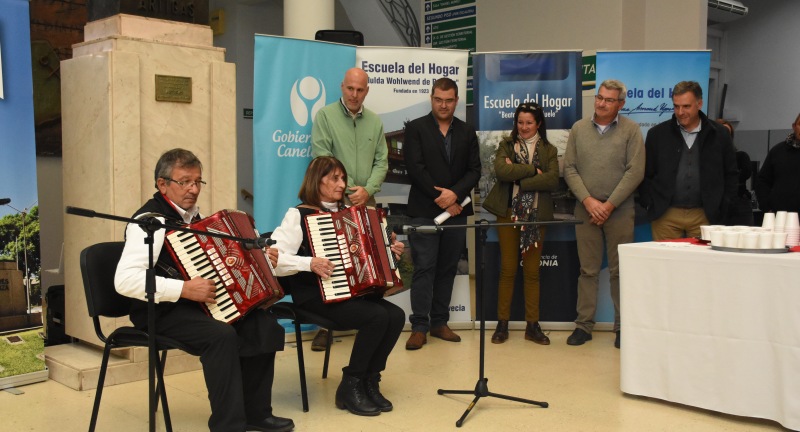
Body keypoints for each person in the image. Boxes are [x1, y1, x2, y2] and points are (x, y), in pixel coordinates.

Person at [114, 148, 293, 432]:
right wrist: (183, 289)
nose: (194, 189)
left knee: (263, 325)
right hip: (161, 310)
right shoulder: (150, 223)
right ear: (162, 185)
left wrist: (263, 261)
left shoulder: (198, 221)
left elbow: (230, 266)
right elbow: (125, 281)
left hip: (199, 306)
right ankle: (228, 425)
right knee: (220, 336)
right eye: (184, 181)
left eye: (198, 182)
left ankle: (256, 413)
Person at [269, 156, 405, 417]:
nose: (342, 184)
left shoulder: (350, 215)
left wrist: (390, 253)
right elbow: (273, 259)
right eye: (335, 178)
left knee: (396, 315)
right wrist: (310, 263)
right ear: (316, 181)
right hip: (313, 296)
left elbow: (367, 256)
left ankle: (369, 380)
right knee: (376, 317)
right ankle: (350, 385)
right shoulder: (299, 214)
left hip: (351, 293)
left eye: (343, 178)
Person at [310, 67, 389, 351]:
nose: (354, 95)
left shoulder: (375, 122)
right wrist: (348, 189)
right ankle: (325, 327)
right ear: (342, 87)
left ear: (366, 91)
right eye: (350, 89)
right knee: (333, 261)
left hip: (366, 201)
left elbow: (382, 161)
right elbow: (322, 157)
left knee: (366, 261)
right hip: (334, 202)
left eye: (360, 90)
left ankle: (367, 319)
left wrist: (368, 190)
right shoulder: (325, 116)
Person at [563, 79, 645, 349]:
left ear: (621, 104)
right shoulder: (578, 129)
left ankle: (623, 327)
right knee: (587, 270)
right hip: (585, 210)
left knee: (620, 272)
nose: (601, 103)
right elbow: (570, 169)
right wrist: (589, 202)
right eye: (599, 97)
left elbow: (635, 172)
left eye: (609, 100)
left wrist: (608, 205)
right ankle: (583, 326)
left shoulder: (632, 131)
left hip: (620, 211)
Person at [403, 77, 481, 350]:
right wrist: (443, 199)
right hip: (425, 210)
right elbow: (415, 169)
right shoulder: (416, 128)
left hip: (457, 212)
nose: (443, 105)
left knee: (447, 268)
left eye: (449, 100)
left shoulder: (467, 131)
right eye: (438, 99)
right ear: (431, 98)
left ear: (456, 101)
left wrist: (455, 196)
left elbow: (475, 170)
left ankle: (439, 322)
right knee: (424, 268)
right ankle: (419, 326)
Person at [482, 102, 559, 345]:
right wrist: (533, 170)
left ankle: (532, 326)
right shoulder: (506, 144)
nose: (523, 127)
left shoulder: (549, 149)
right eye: (520, 122)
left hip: (535, 215)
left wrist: (523, 180)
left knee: (532, 272)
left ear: (538, 124)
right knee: (507, 269)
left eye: (529, 122)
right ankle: (502, 324)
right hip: (508, 213)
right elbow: (501, 173)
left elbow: (552, 180)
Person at [638, 81, 738, 239]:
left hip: (706, 215)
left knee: (702, 263)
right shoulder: (657, 134)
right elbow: (645, 173)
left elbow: (731, 174)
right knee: (666, 262)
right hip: (665, 215)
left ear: (699, 104)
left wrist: (723, 205)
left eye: (686, 106)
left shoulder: (719, 134)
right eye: (676, 106)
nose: (680, 112)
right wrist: (650, 202)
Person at [755, 113, 800, 213]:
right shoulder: (778, 151)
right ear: (794, 126)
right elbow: (762, 181)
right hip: (779, 216)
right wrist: (766, 207)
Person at [716, 118, 754, 225]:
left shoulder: (741, 156)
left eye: (728, 132)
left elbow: (745, 173)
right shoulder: (705, 158)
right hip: (714, 205)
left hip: (739, 203)